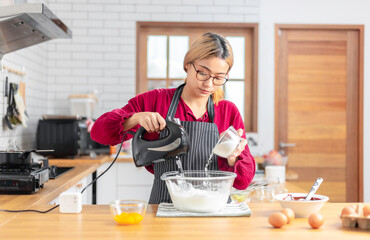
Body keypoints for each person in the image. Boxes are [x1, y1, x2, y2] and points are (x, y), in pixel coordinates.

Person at [91, 32, 256, 204]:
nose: (208, 84)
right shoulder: (156, 100)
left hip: (214, 211)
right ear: (187, 65)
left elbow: (243, 182)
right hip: (166, 208)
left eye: (218, 78)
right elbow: (98, 133)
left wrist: (233, 159)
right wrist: (136, 118)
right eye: (202, 73)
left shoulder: (228, 111)